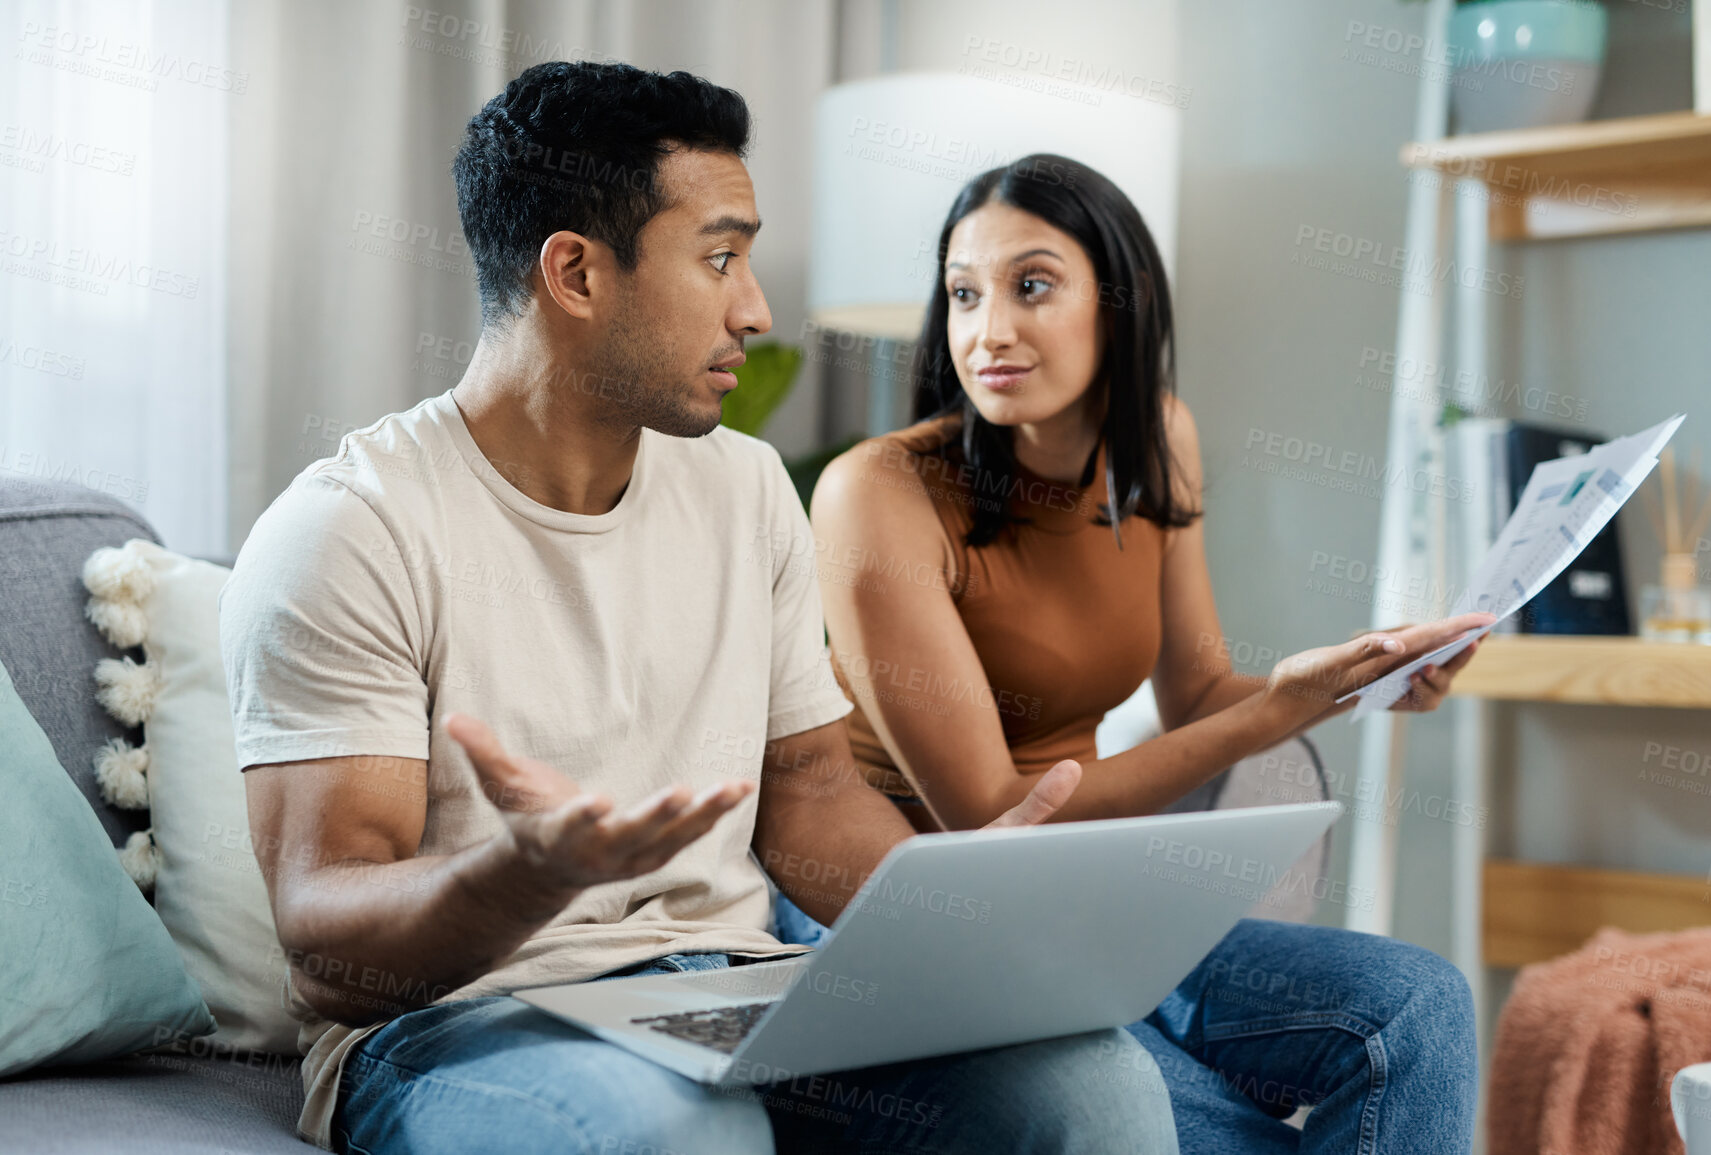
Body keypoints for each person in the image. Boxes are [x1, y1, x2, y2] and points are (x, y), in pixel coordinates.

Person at [219, 67, 1182, 1155]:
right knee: (679, 1132)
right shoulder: (353, 530)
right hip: (468, 1025)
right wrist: (522, 875)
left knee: (1088, 1082)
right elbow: (328, 954)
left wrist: (956, 902)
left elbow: (812, 792)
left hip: (734, 992)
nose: (757, 310)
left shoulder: (747, 486)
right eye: (720, 258)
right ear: (576, 273)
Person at [807, 152, 1492, 1154]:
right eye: (962, 293)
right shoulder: (879, 491)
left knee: (1418, 1007)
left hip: (1093, 899)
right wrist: (1279, 710)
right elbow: (996, 815)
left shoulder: (1159, 439)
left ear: (1118, 307)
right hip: (932, 916)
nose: (986, 329)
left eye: (1030, 285)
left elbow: (1203, 692)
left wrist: (1358, 681)